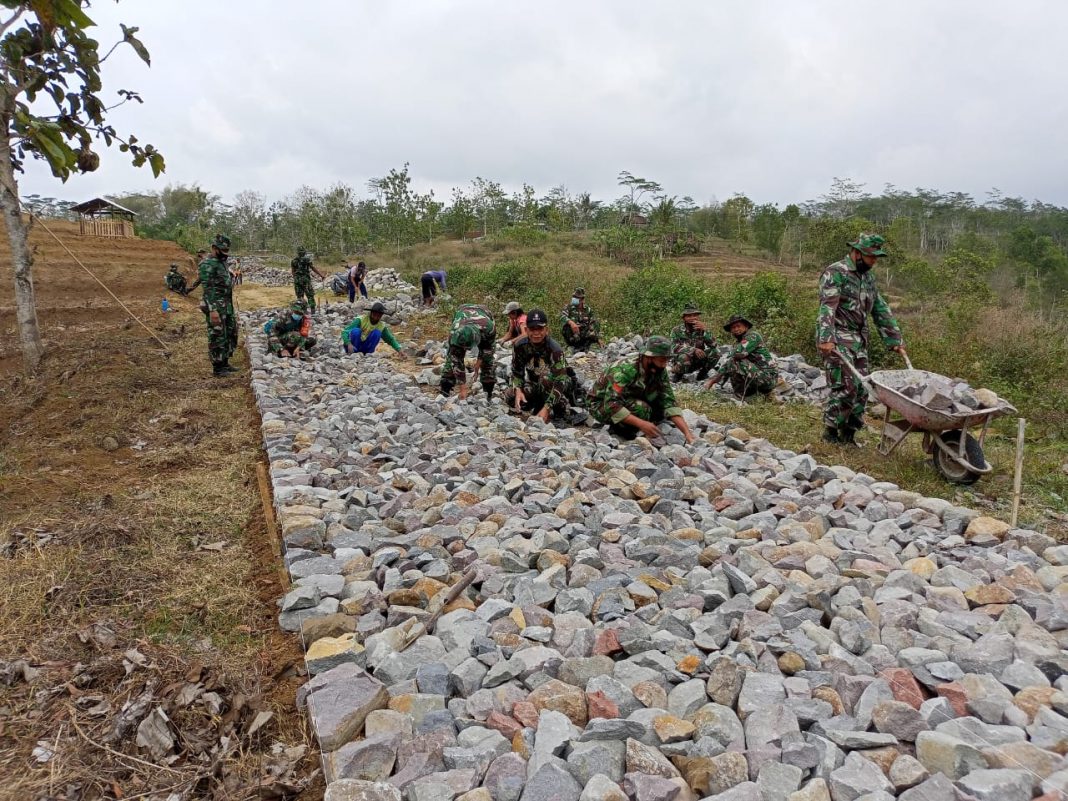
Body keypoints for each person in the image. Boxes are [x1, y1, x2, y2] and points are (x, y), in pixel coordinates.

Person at [817, 233, 906, 446]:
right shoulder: (835, 272)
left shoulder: (867, 278)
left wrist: (894, 339)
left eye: (876, 257)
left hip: (860, 340)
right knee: (845, 386)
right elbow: (828, 306)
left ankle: (849, 435)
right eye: (870, 256)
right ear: (857, 253)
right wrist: (826, 338)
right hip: (838, 338)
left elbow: (879, 308)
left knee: (863, 388)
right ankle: (830, 432)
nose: (874, 261)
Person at [588, 335, 695, 444]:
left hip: (629, 397)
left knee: (661, 410)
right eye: (662, 360)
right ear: (649, 357)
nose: (664, 365)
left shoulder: (659, 370)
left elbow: (669, 401)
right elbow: (611, 404)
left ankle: (635, 421)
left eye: (666, 360)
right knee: (642, 409)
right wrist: (642, 424)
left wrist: (688, 434)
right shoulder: (624, 371)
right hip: (600, 405)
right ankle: (622, 431)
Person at [504, 308, 576, 423]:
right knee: (510, 395)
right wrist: (518, 389)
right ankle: (537, 404)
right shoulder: (520, 346)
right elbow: (517, 373)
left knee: (546, 379)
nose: (536, 333)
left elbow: (560, 382)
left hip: (558, 384)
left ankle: (560, 406)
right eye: (532, 329)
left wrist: (546, 409)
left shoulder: (555, 349)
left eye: (540, 329)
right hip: (536, 383)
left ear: (546, 330)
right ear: (526, 330)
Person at [706, 315, 779, 398]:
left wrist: (715, 379)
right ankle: (746, 394)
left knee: (735, 361)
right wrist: (717, 379)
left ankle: (765, 393)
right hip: (758, 375)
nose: (736, 329)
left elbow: (738, 354)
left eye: (738, 326)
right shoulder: (738, 343)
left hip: (768, 378)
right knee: (732, 364)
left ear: (746, 326)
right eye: (733, 328)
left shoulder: (753, 336)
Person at [198, 234, 238, 377]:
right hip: (215, 307)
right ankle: (218, 368)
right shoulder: (206, 264)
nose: (225, 254)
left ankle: (225, 362)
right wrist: (212, 310)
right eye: (223, 250)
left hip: (226, 306)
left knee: (228, 333)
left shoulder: (221, 262)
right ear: (214, 248)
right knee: (217, 335)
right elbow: (207, 289)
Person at [440, 303, 496, 400]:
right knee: (451, 361)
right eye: (465, 348)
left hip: (483, 312)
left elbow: (488, 349)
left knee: (488, 362)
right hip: (462, 311)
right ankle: (445, 391)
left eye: (468, 347)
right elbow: (456, 361)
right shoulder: (454, 333)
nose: (467, 350)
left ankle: (488, 394)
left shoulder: (489, 328)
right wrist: (463, 388)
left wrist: (479, 362)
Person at [670, 303, 716, 381]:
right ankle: (678, 374)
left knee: (716, 352)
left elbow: (713, 345)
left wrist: (705, 331)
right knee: (684, 357)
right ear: (683, 318)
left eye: (695, 315)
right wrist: (693, 350)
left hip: (698, 360)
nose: (692, 318)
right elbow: (673, 347)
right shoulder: (676, 330)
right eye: (689, 316)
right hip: (683, 361)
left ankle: (703, 373)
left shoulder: (702, 328)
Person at [291, 245, 326, 312]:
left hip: (297, 280)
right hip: (305, 280)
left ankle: (302, 310)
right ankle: (312, 310)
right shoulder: (307, 260)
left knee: (299, 296)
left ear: (298, 252)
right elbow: (313, 268)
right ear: (304, 252)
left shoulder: (293, 261)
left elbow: (293, 271)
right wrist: (321, 275)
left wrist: (296, 278)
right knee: (310, 295)